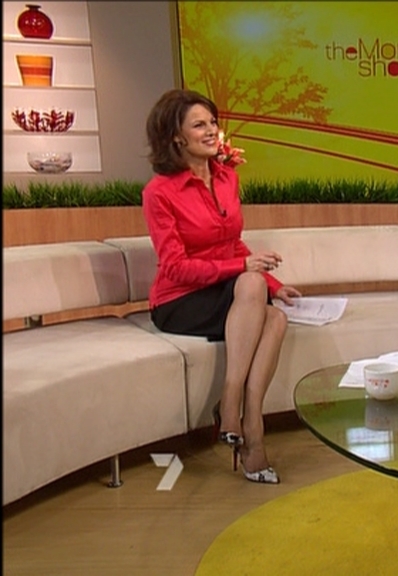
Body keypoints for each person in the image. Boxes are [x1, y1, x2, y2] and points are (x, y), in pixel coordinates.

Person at [142, 89, 301, 484]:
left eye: (212, 122)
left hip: (225, 289)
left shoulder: (227, 176)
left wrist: (273, 283)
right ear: (176, 137)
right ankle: (233, 407)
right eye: (200, 125)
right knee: (251, 284)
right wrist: (244, 268)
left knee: (276, 316)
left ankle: (249, 420)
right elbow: (175, 268)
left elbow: (233, 243)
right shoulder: (159, 192)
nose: (212, 130)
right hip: (179, 300)